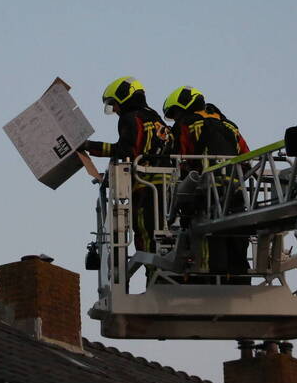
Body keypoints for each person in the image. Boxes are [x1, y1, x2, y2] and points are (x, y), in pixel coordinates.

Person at [162, 86, 251, 284]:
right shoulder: (230, 126)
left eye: (175, 113)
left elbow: (177, 159)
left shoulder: (185, 125)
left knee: (207, 240)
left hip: (203, 194)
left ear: (184, 106)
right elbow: (246, 159)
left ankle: (207, 282)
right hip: (234, 194)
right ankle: (239, 285)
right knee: (237, 240)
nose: (175, 118)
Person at [83, 76, 172, 262]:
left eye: (114, 104)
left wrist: (88, 146)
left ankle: (154, 277)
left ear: (124, 97)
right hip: (169, 185)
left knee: (146, 234)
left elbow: (125, 149)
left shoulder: (129, 118)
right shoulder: (155, 118)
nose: (114, 109)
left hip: (145, 187)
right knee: (166, 234)